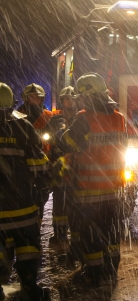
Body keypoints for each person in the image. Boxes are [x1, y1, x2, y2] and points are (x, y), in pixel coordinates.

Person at [59, 73, 127, 287]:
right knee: (111, 232)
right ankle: (110, 269)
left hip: (89, 190)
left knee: (91, 235)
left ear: (88, 96)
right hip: (114, 190)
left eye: (82, 97)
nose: (80, 100)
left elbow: (68, 143)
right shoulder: (119, 117)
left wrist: (63, 131)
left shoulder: (84, 118)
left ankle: (95, 274)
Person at [0, 82, 51, 300]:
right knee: (27, 249)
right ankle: (29, 287)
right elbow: (39, 166)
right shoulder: (22, 126)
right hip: (22, 205)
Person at [46, 86, 79, 251]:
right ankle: (59, 234)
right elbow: (48, 139)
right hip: (59, 165)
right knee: (59, 201)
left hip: (76, 166)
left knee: (74, 202)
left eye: (70, 98)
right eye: (65, 99)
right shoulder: (56, 119)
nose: (68, 101)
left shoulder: (81, 118)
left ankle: (76, 235)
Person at [17, 83, 53, 225]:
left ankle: (37, 220)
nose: (34, 100)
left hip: (43, 162)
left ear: (42, 99)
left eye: (36, 97)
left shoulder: (48, 116)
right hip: (23, 162)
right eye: (31, 97)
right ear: (25, 99)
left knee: (42, 194)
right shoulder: (18, 115)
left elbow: (54, 137)